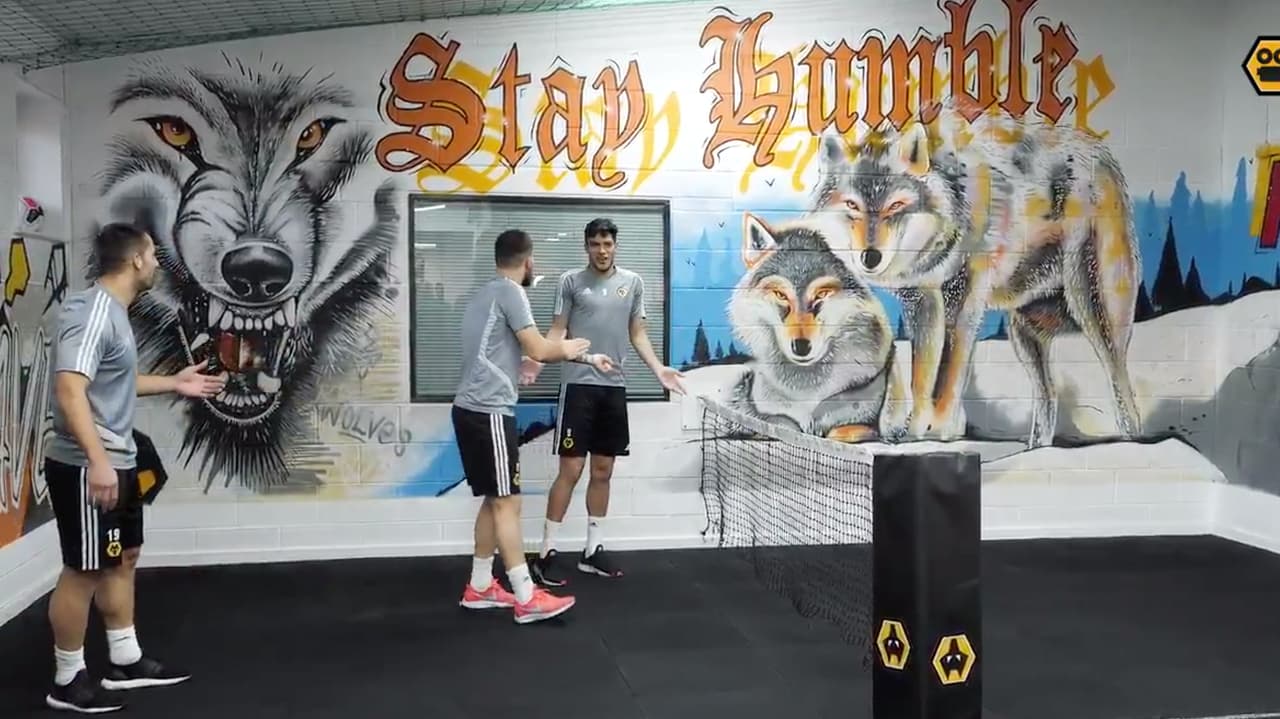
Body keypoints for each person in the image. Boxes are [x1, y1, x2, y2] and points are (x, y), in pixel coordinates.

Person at [43, 222, 228, 713]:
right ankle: (67, 679)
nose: (157, 263)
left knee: (123, 556)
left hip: (116, 458)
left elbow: (113, 381)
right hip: (87, 465)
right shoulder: (91, 311)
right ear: (136, 260)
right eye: (153, 254)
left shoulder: (114, 312)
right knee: (84, 570)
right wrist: (98, 461)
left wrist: (175, 383)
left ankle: (125, 660)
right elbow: (70, 388)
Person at [452, 228, 614, 624]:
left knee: (495, 499)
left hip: (473, 410)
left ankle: (480, 586)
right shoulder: (511, 292)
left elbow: (515, 351)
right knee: (508, 501)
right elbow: (539, 348)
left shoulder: (484, 294)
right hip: (488, 412)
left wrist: (583, 359)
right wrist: (574, 348)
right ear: (528, 261)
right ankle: (526, 595)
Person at [526, 218, 686, 586]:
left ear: (615, 246)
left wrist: (659, 369)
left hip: (613, 389)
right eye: (595, 244)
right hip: (578, 387)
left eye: (607, 244)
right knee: (571, 470)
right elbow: (558, 329)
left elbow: (637, 333)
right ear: (586, 246)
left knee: (603, 470)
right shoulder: (570, 281)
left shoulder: (633, 283)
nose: (602, 250)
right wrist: (538, 359)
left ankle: (592, 550)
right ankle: (547, 551)